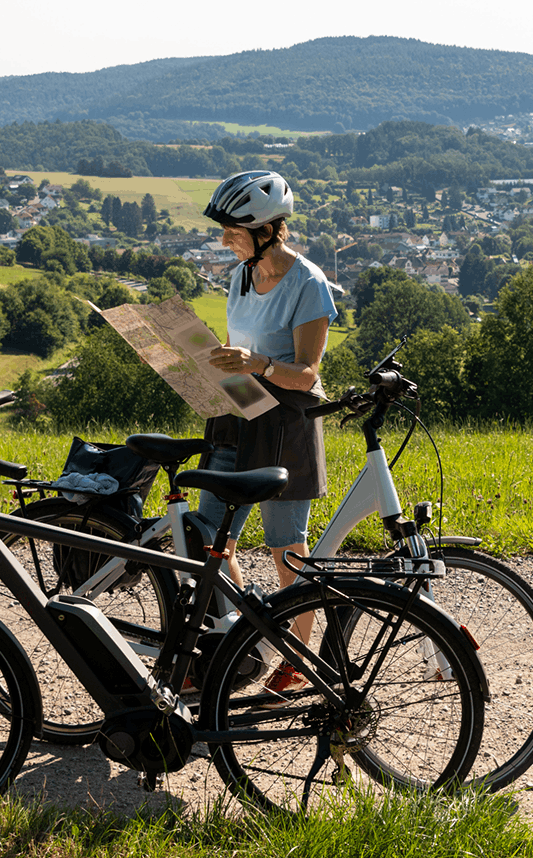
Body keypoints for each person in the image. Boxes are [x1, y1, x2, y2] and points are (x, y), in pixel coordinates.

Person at [199, 170, 338, 701]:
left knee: (287, 550)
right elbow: (239, 349)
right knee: (207, 540)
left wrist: (255, 363)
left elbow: (307, 374)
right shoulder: (239, 274)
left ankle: (298, 663)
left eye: (232, 230)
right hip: (238, 414)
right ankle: (243, 640)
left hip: (285, 424)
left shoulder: (308, 283)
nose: (224, 239)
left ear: (264, 229)